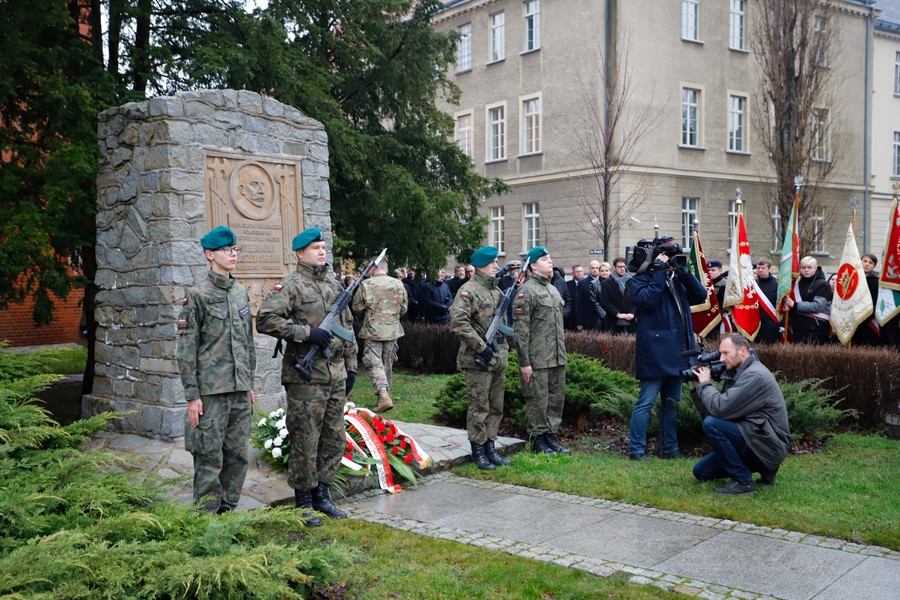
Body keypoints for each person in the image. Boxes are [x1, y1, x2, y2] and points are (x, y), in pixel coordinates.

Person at [256, 227, 358, 526]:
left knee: (334, 438)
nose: (322, 251)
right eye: (315, 248)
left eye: (323, 247)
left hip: (335, 374)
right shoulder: (290, 285)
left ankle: (322, 495)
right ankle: (303, 501)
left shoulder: (334, 284)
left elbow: (347, 326)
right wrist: (306, 333)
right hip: (306, 376)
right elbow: (265, 320)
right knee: (306, 440)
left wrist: (351, 366)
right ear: (300, 253)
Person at [176, 226, 256, 514]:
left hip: (239, 389)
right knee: (209, 456)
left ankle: (228, 511)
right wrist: (192, 395)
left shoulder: (240, 292)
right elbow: (186, 349)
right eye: (226, 249)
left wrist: (249, 384)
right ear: (210, 254)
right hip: (211, 391)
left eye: (235, 249)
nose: (233, 254)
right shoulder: (197, 294)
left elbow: (247, 342)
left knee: (238, 454)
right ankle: (206, 518)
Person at [629, 248, 707, 461]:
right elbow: (647, 301)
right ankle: (636, 450)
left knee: (672, 403)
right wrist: (658, 273)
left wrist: (684, 273)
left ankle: (670, 448)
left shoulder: (677, 279)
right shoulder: (641, 279)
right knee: (645, 403)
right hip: (655, 354)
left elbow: (701, 295)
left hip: (678, 353)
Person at [690, 333, 791, 495]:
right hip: (755, 437)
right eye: (720, 353)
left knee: (712, 425)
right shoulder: (737, 372)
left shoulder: (754, 375)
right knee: (702, 471)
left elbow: (720, 409)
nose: (721, 359)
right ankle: (765, 469)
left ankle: (743, 481)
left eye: (726, 353)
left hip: (768, 445)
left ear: (743, 351)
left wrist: (706, 385)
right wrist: (698, 387)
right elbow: (715, 413)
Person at [449, 246, 511, 471]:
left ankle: (490, 447)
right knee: (479, 407)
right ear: (482, 265)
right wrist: (481, 347)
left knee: (496, 406)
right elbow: (458, 322)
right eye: (493, 262)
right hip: (477, 360)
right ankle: (478, 450)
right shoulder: (469, 290)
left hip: (497, 358)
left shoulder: (497, 291)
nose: (496, 265)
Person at [513, 246, 570, 455]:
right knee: (537, 400)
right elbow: (521, 331)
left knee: (555, 399)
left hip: (556, 356)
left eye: (550, 258)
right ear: (534, 266)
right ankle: (537, 439)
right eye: (545, 259)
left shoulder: (553, 289)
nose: (550, 261)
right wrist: (524, 362)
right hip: (537, 359)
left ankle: (550, 436)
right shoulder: (526, 291)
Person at [351, 256, 408, 414]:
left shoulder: (366, 284)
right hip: (392, 330)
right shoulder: (398, 284)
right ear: (386, 268)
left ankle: (382, 394)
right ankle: (385, 397)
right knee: (387, 363)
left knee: (374, 362)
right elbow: (404, 308)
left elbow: (357, 308)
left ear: (372, 268)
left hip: (373, 330)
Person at [784, 256, 832, 344]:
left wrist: (794, 305)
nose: (806, 270)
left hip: (816, 329)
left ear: (816, 268)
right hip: (798, 329)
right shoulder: (797, 284)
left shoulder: (823, 285)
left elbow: (817, 306)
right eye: (803, 267)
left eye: (809, 267)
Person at [852, 253, 883, 346]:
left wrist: (861, 318)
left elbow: (875, 303)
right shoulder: (853, 279)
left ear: (874, 266)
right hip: (851, 318)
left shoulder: (876, 282)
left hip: (867, 320)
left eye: (870, 263)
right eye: (864, 261)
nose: (866, 264)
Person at [600, 257, 636, 334]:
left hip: (631, 321)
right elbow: (604, 302)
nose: (622, 269)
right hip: (613, 322)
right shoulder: (606, 283)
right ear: (615, 268)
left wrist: (633, 313)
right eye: (619, 267)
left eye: (624, 266)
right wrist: (617, 314)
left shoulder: (632, 281)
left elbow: (637, 300)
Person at [754, 258, 781, 344]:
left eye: (763, 268)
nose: (760, 270)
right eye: (758, 268)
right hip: (755, 324)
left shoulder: (777, 284)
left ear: (769, 269)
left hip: (771, 324)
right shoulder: (753, 284)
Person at [577, 260, 604, 331]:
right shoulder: (582, 283)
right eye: (593, 268)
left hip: (603, 318)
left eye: (597, 268)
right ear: (589, 269)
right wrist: (580, 322)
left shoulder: (605, 282)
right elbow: (579, 303)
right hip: (589, 319)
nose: (595, 270)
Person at [565, 264, 584, 331]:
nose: (579, 273)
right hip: (570, 318)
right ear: (572, 273)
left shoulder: (588, 284)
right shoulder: (567, 285)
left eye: (581, 271)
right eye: (577, 271)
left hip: (584, 317)